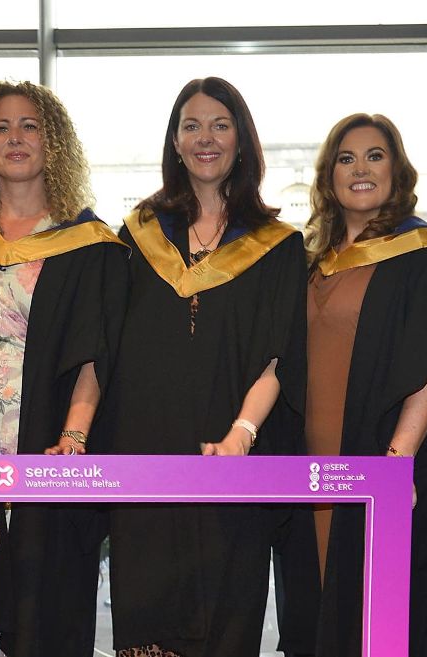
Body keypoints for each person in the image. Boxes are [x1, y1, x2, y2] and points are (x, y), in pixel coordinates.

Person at [99, 77, 310, 657]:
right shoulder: (138, 234)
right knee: (150, 617)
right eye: (191, 125)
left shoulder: (277, 245)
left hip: (231, 459)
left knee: (226, 613)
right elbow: (109, 348)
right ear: (174, 141)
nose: (205, 138)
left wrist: (242, 434)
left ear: (242, 141)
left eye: (220, 124)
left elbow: (280, 355)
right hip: (147, 458)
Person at [0, 80, 127, 656]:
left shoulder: (91, 244)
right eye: (0, 127)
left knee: (53, 608)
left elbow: (97, 354)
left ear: (53, 142)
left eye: (30, 126)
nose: (15, 137)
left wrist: (73, 435)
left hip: (52, 448)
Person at [303, 113, 427, 657]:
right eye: (346, 158)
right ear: (329, 174)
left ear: (398, 170)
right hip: (312, 465)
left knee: (381, 620)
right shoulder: (312, 260)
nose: (360, 169)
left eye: (375, 156)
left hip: (383, 463)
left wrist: (397, 460)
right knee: (320, 610)